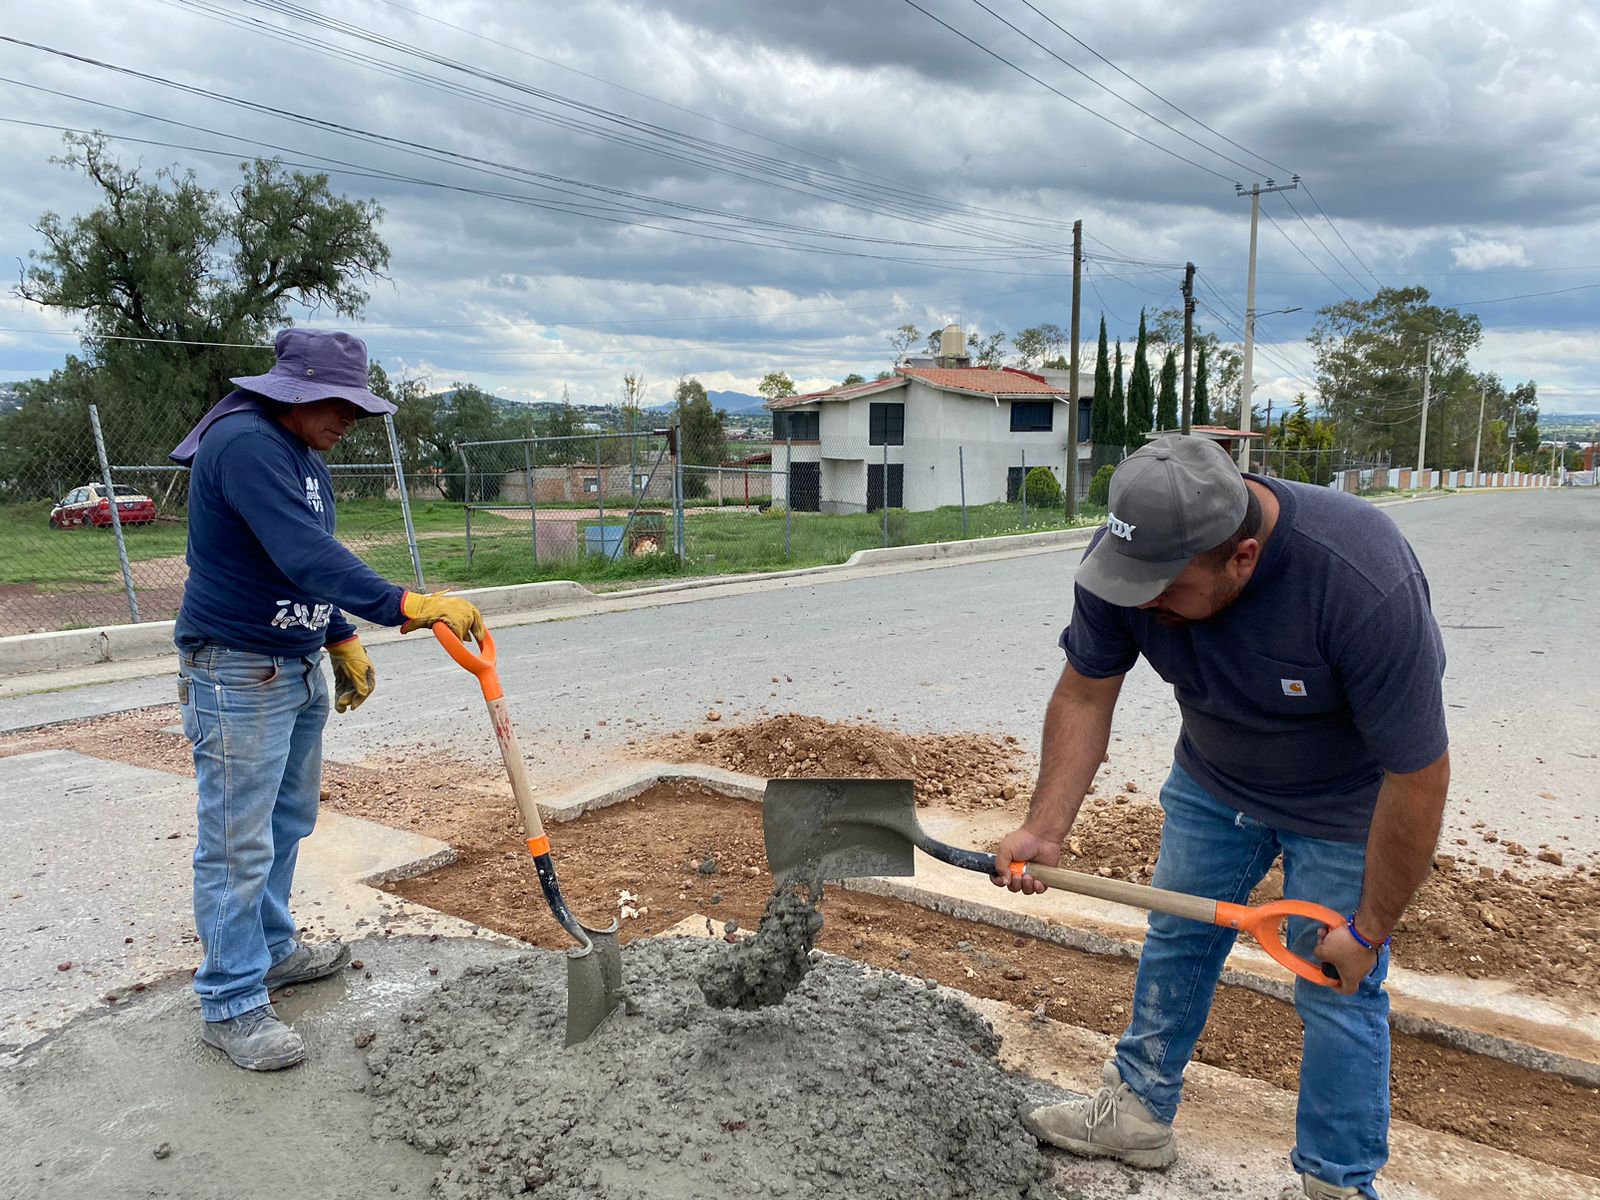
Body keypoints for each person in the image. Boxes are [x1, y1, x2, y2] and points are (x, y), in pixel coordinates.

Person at [995, 435, 1448, 1200]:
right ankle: (1137, 1113)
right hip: (1214, 780)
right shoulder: (1126, 564)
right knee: (1177, 937)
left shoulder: (1360, 576)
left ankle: (1336, 1182)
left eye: (1164, 592)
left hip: (1346, 804)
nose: (1143, 604)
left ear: (1241, 557)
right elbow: (1083, 693)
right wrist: (1046, 825)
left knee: (1337, 980)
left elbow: (1418, 774)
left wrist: (1370, 926)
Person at [170, 328, 485, 1072]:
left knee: (286, 822)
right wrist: (403, 604)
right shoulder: (244, 444)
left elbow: (303, 557)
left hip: (293, 662)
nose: (350, 419)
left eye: (359, 407)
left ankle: (272, 950)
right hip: (238, 670)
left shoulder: (305, 456)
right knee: (236, 842)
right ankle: (230, 1001)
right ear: (296, 389)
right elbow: (302, 550)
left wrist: (339, 635)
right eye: (340, 403)